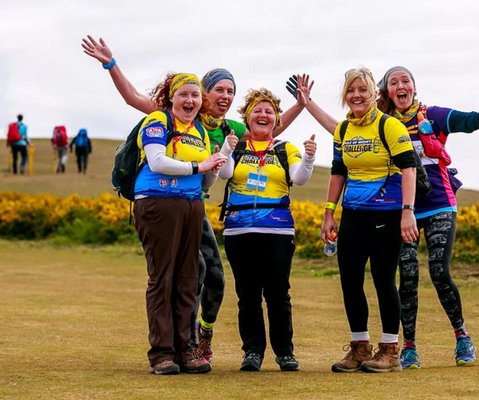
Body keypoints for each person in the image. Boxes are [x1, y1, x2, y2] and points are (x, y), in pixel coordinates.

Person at [81, 34, 308, 366]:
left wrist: (301, 104)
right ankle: (179, 345)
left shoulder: (228, 126)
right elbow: (132, 98)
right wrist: (111, 64)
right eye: (219, 90)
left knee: (209, 275)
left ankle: (201, 338)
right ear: (204, 92)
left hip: (194, 203)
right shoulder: (175, 115)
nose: (225, 96)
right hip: (164, 201)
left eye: (230, 91)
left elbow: (268, 126)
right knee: (187, 273)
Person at [374, 66, 479, 369]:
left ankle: (462, 337)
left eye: (406, 81)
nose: (401, 86)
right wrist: (307, 105)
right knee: (409, 275)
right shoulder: (381, 124)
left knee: (439, 271)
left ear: (414, 87)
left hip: (440, 204)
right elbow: (345, 134)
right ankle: (409, 347)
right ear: (386, 91)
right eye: (393, 82)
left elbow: (473, 120)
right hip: (403, 211)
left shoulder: (432, 116)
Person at [295, 69, 418, 373]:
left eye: (362, 90)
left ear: (374, 93)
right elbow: (339, 172)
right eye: (351, 91)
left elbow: (409, 168)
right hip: (353, 214)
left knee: (383, 279)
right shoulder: (344, 131)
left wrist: (407, 210)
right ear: (345, 96)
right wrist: (328, 213)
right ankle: (360, 348)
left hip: (387, 214)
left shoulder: (389, 125)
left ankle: (390, 350)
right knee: (350, 280)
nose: (357, 96)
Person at [132, 72, 227, 375]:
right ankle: (161, 354)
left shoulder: (199, 129)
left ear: (202, 101)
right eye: (184, 94)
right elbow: (157, 160)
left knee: (188, 277)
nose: (190, 100)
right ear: (171, 97)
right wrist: (200, 164)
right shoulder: (158, 121)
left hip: (192, 205)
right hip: (158, 202)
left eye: (195, 95)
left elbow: (206, 178)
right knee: (163, 278)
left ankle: (186, 350)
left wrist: (217, 160)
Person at [218, 88, 316, 372]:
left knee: (277, 293)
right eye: (257, 111)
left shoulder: (286, 148)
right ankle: (252, 352)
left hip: (278, 231)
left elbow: (300, 178)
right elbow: (224, 174)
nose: (263, 115)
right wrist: (225, 148)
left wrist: (309, 157)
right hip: (239, 231)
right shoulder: (236, 146)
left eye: (269, 111)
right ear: (247, 117)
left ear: (276, 119)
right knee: (247, 295)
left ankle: (284, 352)